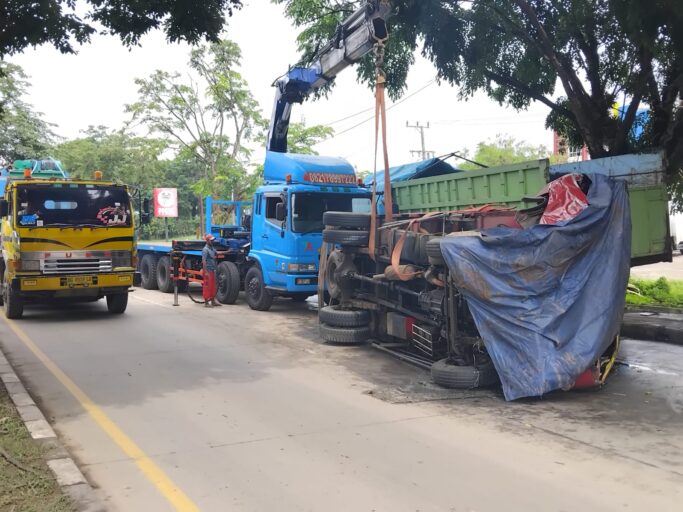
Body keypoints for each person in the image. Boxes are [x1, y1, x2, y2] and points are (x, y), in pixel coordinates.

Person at [202, 234, 223, 308]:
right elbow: (204, 261)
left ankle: (213, 301)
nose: (213, 241)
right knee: (207, 286)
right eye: (211, 240)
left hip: (212, 270)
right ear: (207, 241)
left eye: (213, 240)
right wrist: (206, 272)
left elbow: (217, 253)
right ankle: (206, 302)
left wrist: (228, 251)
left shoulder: (212, 248)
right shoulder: (205, 250)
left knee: (212, 286)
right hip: (208, 271)